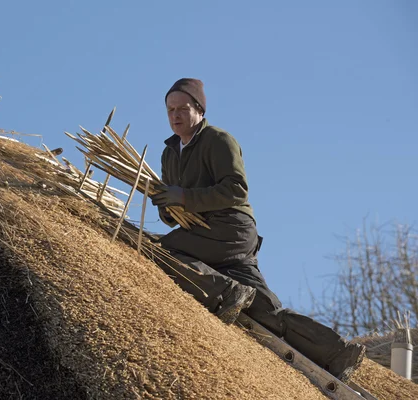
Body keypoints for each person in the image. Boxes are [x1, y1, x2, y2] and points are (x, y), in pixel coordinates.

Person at [151, 78, 365, 382]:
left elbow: (236, 189)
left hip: (229, 229)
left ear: (199, 109)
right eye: (170, 110)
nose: (175, 115)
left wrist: (184, 197)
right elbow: (172, 218)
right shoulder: (169, 154)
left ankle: (224, 290)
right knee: (264, 311)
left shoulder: (218, 140)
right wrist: (164, 203)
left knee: (163, 251)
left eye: (182, 108)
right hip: (206, 237)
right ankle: (335, 352)